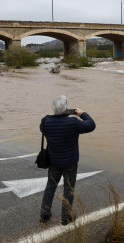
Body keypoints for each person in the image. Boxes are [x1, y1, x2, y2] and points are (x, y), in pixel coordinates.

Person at [39, 95, 96, 225]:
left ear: (53, 109)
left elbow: (42, 129)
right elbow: (91, 125)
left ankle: (44, 213)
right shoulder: (73, 122)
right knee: (68, 188)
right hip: (70, 163)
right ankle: (66, 217)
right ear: (66, 109)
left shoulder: (45, 121)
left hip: (53, 162)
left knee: (50, 186)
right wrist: (82, 114)